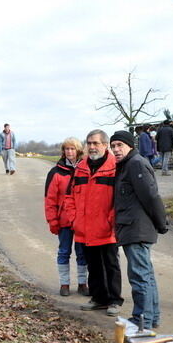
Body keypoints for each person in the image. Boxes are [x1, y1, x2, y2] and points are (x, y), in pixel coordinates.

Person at [110, 130, 168, 329]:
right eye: (113, 146)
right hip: (133, 228)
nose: (116, 149)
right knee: (146, 275)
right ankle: (151, 318)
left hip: (137, 229)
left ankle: (141, 320)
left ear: (130, 145)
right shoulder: (127, 164)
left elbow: (151, 196)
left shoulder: (135, 164)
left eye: (120, 145)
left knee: (139, 276)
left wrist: (161, 223)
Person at [73, 129, 123, 317]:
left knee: (110, 264)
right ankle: (98, 298)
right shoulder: (81, 167)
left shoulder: (115, 166)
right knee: (92, 264)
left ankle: (114, 299)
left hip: (106, 227)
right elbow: (71, 194)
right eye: (89, 143)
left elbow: (119, 198)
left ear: (105, 145)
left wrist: (111, 221)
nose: (92, 147)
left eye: (96, 143)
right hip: (84, 227)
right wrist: (74, 218)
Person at [44, 137, 88, 297]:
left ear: (78, 151)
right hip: (63, 220)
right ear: (63, 151)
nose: (69, 152)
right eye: (67, 149)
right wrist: (52, 220)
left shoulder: (85, 169)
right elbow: (49, 199)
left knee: (82, 252)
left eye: (72, 149)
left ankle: (83, 283)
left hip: (82, 219)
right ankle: (65, 283)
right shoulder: (56, 172)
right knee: (64, 251)